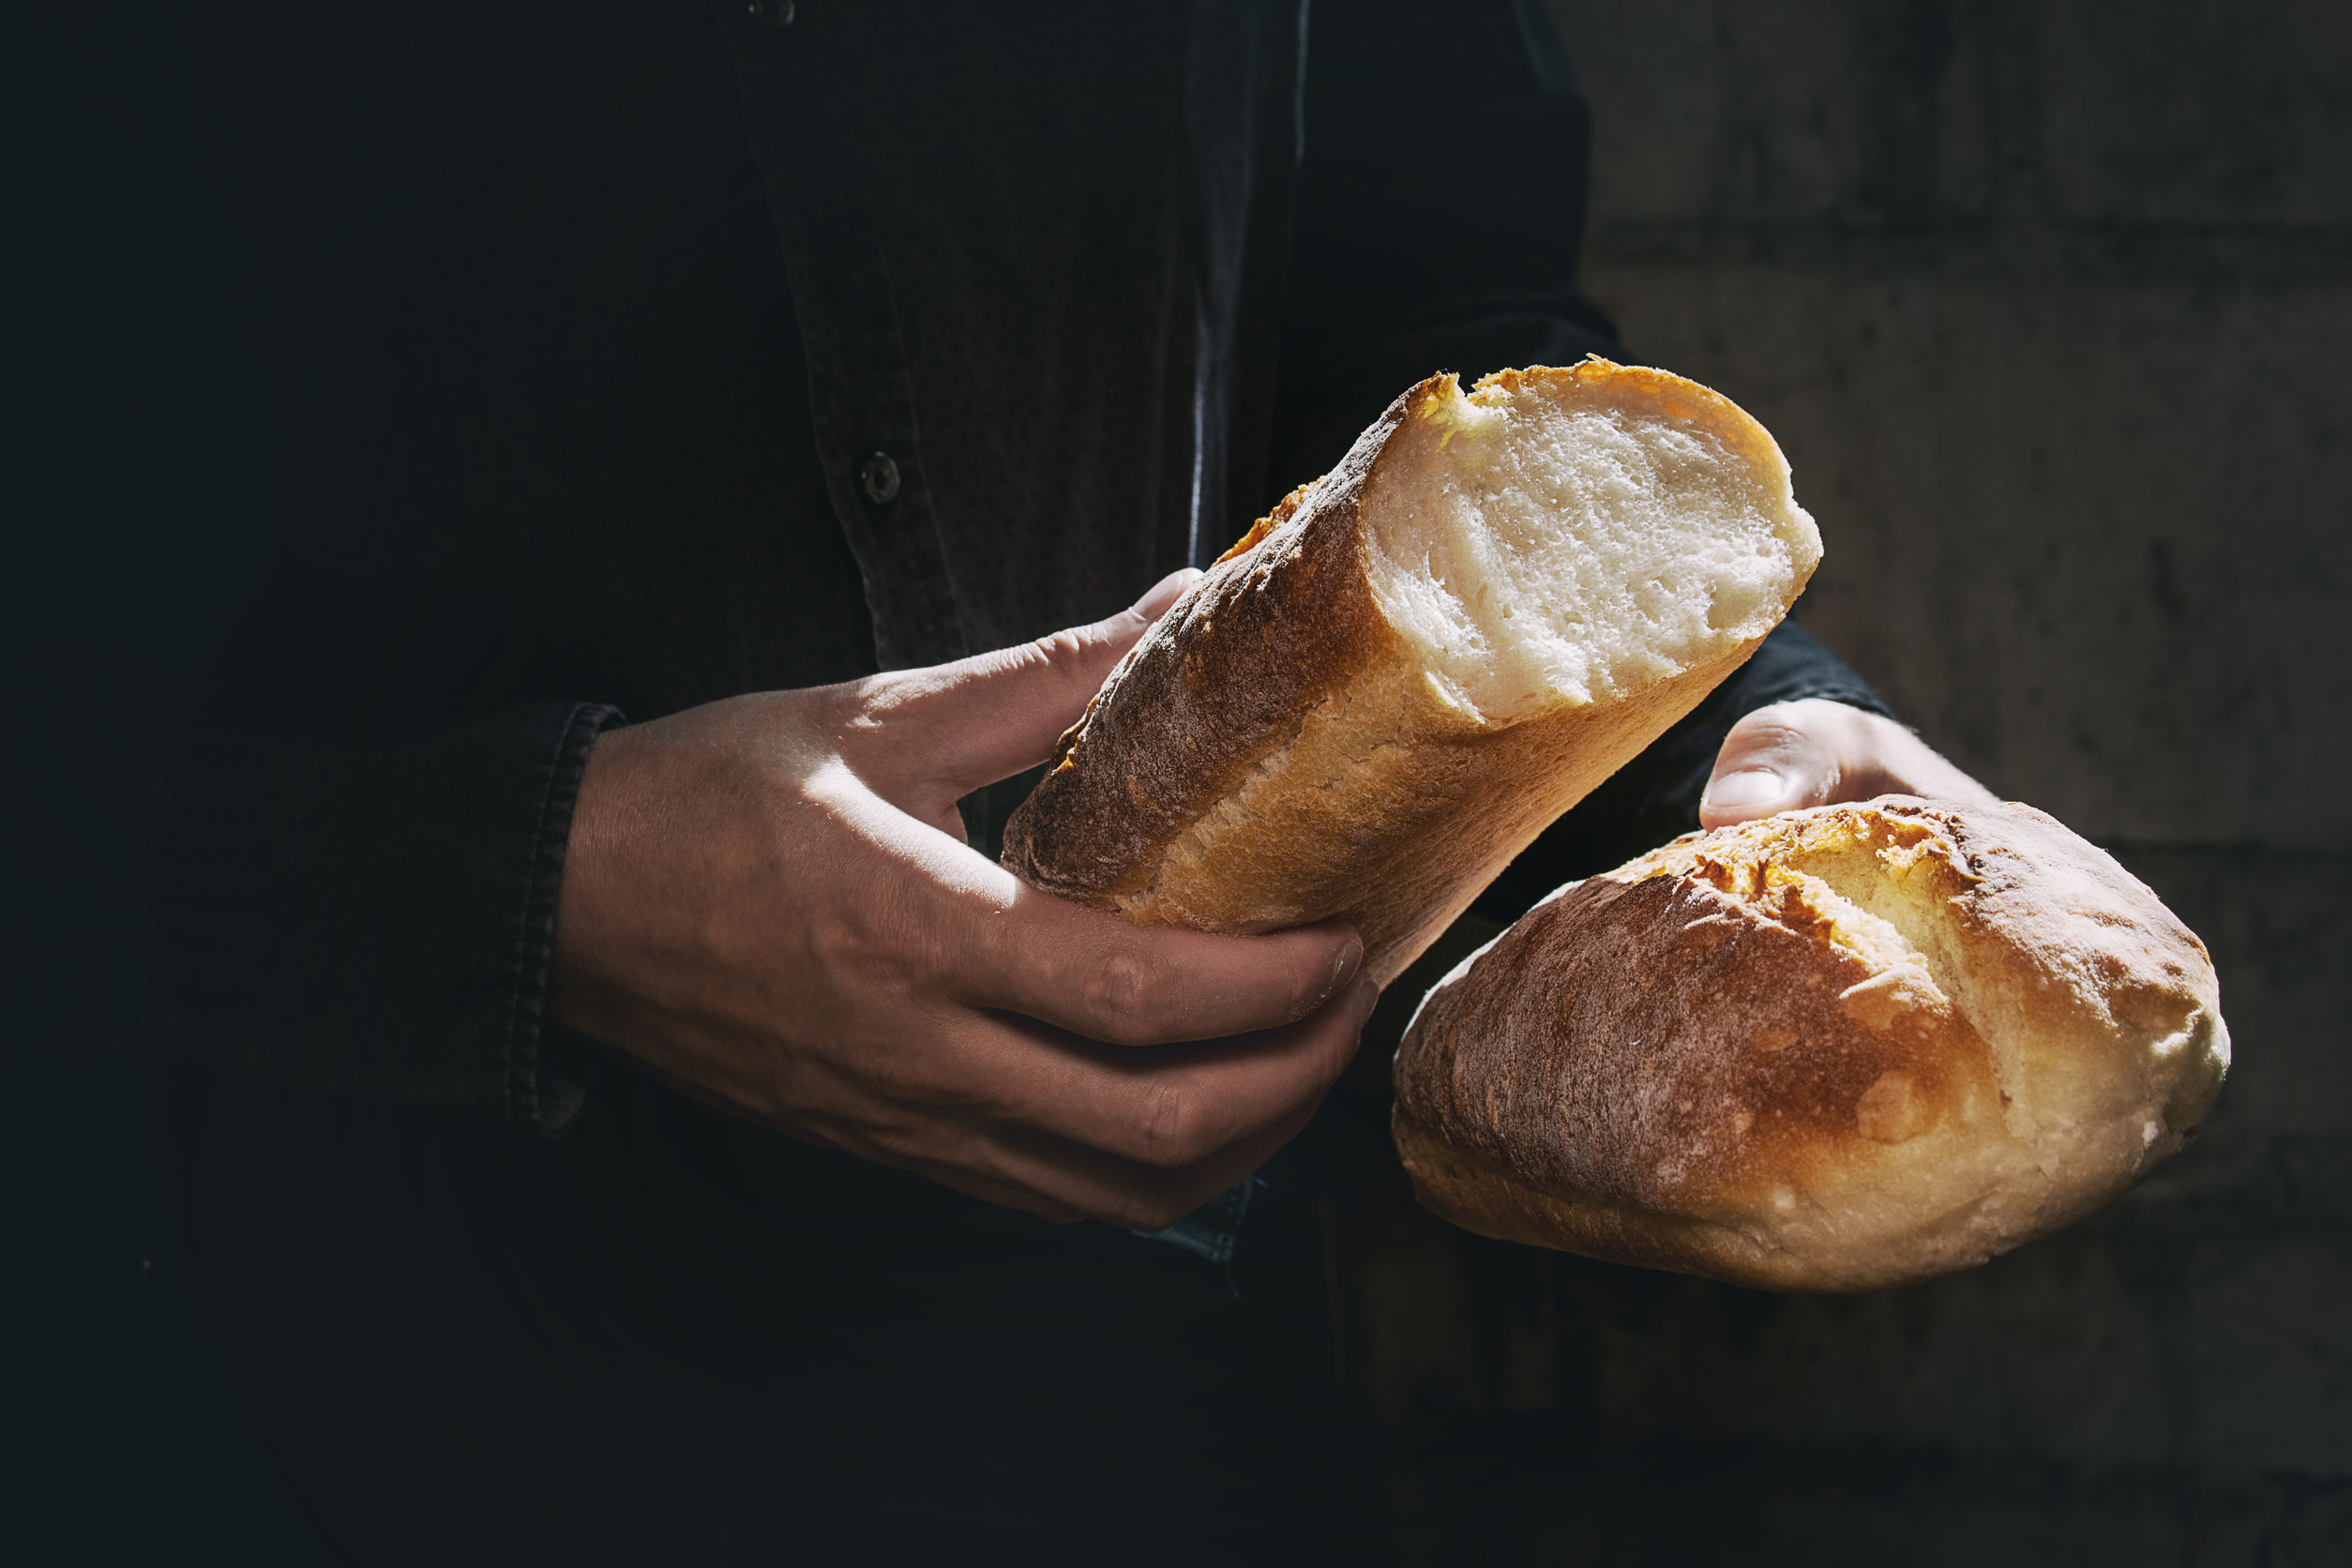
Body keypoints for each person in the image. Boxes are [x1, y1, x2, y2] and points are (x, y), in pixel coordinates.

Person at [23, 0, 1990, 1560]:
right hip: (283, 1374)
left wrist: (1738, 748)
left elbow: (1423, 337)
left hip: (1130, 1404)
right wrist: (529, 885)